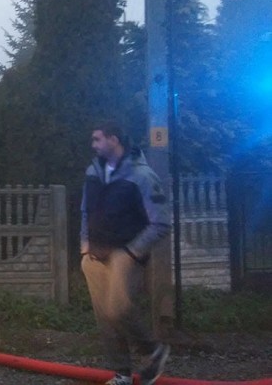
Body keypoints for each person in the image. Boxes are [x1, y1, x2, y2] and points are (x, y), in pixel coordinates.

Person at [80, 121, 172, 385]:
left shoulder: (142, 176)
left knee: (118, 310)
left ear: (114, 140)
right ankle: (121, 373)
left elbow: (161, 223)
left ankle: (155, 350)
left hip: (124, 255)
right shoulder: (93, 172)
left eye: (98, 139)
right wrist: (84, 246)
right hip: (94, 255)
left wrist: (131, 252)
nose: (93, 145)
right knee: (105, 321)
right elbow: (85, 211)